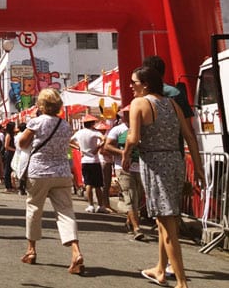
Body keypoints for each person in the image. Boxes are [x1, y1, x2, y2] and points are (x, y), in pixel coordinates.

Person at [122, 66, 205, 288]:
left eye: (134, 82)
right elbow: (189, 136)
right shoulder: (172, 104)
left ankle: (181, 282)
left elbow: (133, 137)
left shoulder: (139, 103)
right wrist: (197, 167)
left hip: (156, 164)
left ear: (145, 84)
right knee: (163, 220)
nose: (131, 86)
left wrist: (126, 155)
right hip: (175, 162)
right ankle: (160, 269)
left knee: (168, 226)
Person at [17, 88, 85, 275]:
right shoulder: (65, 125)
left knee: (34, 210)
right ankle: (75, 252)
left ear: (41, 105)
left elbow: (22, 143)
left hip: (39, 172)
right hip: (62, 172)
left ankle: (31, 250)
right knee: (66, 212)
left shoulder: (36, 122)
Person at [104, 106, 145, 240]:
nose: (128, 116)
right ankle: (136, 228)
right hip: (123, 168)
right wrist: (123, 153)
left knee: (138, 198)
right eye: (126, 114)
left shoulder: (143, 129)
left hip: (141, 167)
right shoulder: (117, 130)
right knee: (130, 196)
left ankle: (129, 222)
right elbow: (107, 146)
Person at [70, 114, 106, 213]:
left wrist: (78, 147)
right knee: (98, 185)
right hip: (95, 160)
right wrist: (97, 148)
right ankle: (100, 205)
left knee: (88, 184)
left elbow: (69, 141)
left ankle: (90, 205)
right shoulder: (95, 132)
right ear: (92, 123)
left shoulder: (79, 133)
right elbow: (104, 139)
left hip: (85, 161)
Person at [3, 121, 16, 192]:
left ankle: (10, 185)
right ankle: (7, 186)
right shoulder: (8, 135)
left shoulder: (11, 134)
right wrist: (14, 149)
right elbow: (6, 146)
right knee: (7, 169)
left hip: (11, 153)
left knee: (10, 169)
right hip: (9, 153)